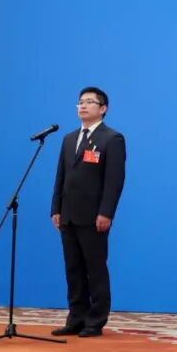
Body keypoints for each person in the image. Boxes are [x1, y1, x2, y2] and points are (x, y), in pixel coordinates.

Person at [50, 86, 126, 338]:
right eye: (80, 102)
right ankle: (76, 317)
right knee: (73, 269)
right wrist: (56, 208)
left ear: (103, 108)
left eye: (89, 102)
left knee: (95, 269)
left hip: (94, 217)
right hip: (68, 215)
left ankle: (95, 320)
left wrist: (106, 212)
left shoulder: (111, 139)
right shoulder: (69, 139)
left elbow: (114, 181)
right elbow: (61, 176)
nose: (82, 106)